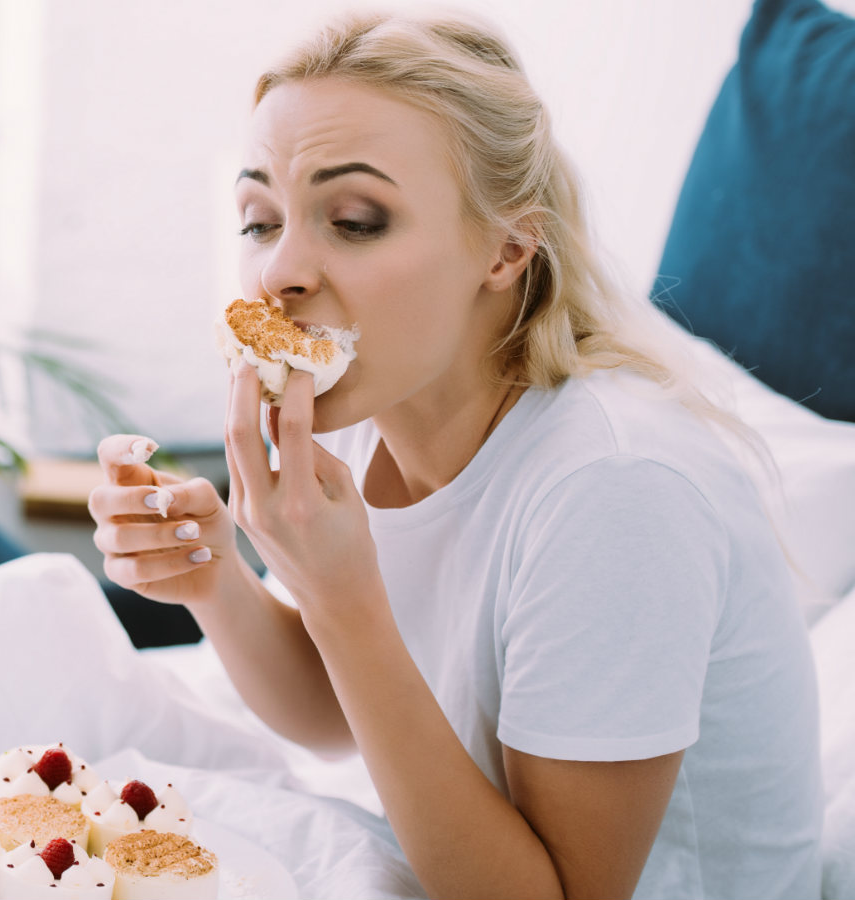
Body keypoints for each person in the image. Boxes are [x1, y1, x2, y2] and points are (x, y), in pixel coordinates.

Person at [88, 11, 823, 899]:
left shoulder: (618, 488)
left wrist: (342, 595)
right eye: (259, 219)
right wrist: (214, 580)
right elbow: (333, 715)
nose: (281, 270)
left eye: (355, 220)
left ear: (508, 249)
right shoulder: (368, 404)